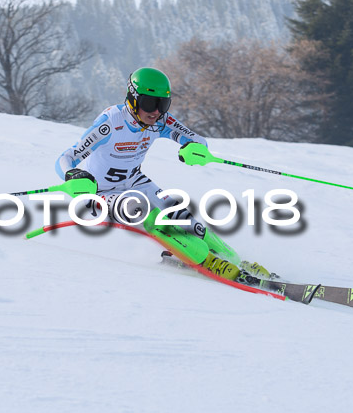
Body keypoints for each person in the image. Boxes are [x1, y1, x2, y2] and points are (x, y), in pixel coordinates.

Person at [55, 67, 269, 283]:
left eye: (163, 104)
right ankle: (206, 261)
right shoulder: (110, 123)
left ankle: (233, 260)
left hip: (134, 181)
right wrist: (72, 174)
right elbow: (66, 158)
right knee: (141, 210)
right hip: (99, 191)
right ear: (133, 99)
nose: (156, 111)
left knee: (183, 216)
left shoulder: (160, 121)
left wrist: (193, 148)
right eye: (149, 103)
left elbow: (197, 140)